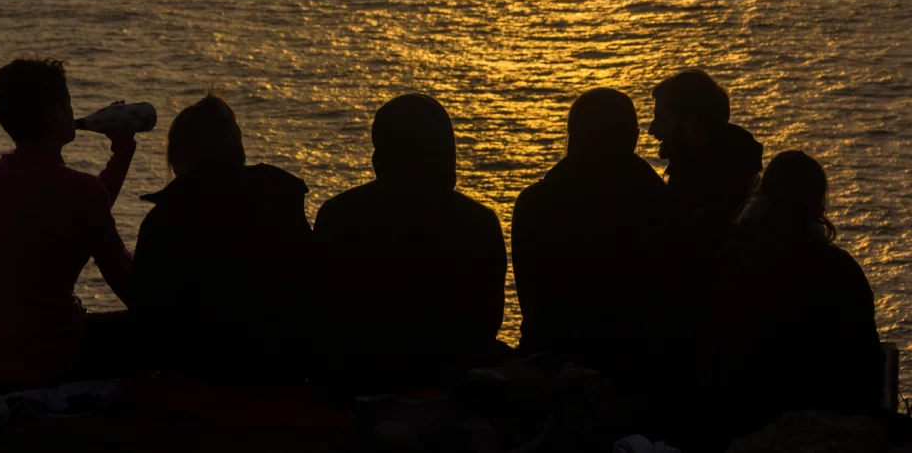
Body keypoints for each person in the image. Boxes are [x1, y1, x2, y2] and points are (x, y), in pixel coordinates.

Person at [0, 58, 138, 389]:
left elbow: (77, 216)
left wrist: (122, 154)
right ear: (57, 111)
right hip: (47, 355)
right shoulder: (80, 193)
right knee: (157, 332)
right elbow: (128, 286)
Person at [313, 94, 507, 395]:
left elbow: (323, 314)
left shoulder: (337, 215)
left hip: (356, 381)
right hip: (450, 384)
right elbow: (487, 324)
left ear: (381, 156)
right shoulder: (478, 222)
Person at [698, 151, 882, 445]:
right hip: (822, 425)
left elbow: (707, 352)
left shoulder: (729, 260)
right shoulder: (840, 270)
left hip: (737, 421)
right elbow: (866, 367)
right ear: (818, 205)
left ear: (760, 194)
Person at [130, 95, 314, 384]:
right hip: (282, 366)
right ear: (236, 148)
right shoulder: (281, 196)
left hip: (198, 369)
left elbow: (146, 306)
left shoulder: (166, 217)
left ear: (179, 155)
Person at [511, 88, 689, 387]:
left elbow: (533, 306)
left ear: (573, 137)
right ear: (632, 139)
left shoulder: (534, 203)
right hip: (639, 372)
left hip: (549, 367)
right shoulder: (663, 205)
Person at [649, 70, 763, 238]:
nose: (651, 130)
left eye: (661, 119)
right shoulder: (737, 165)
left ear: (690, 123)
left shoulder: (707, 187)